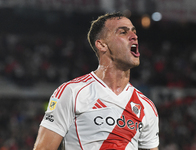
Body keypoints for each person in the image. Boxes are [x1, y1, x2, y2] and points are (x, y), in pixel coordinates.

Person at [33, 12, 159, 150]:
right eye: (123, 32)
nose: (134, 36)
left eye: (134, 32)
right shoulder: (72, 92)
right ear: (102, 45)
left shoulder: (146, 107)